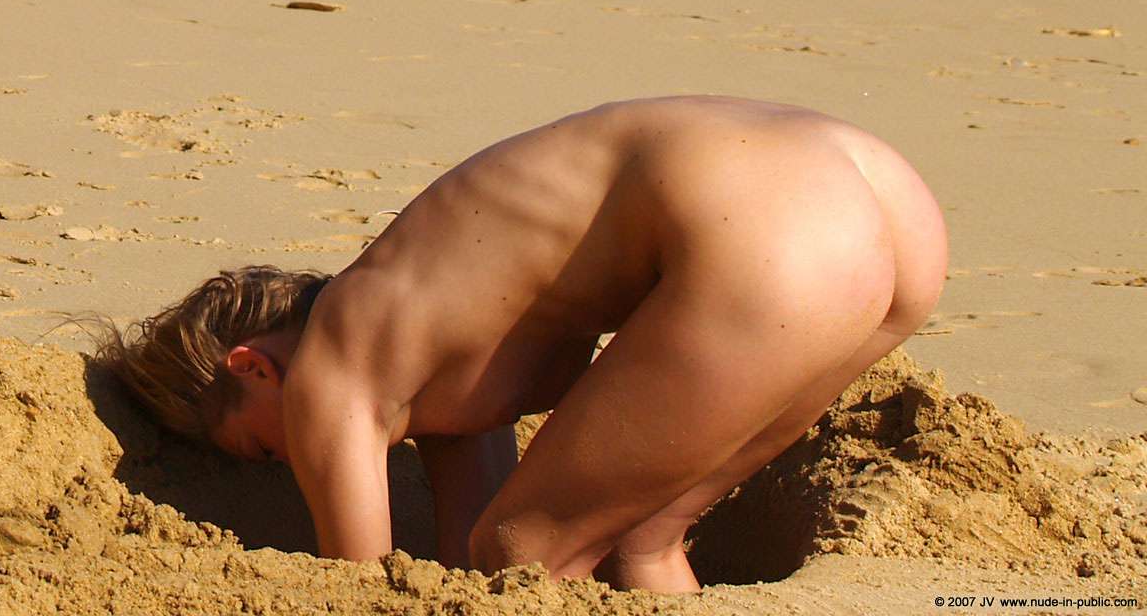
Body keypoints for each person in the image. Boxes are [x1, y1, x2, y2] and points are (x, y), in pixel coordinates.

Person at [97, 95, 948, 593]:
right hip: (873, 194)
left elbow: (363, 586)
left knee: (527, 553)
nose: (288, 463)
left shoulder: (333, 366)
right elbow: (466, 583)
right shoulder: (424, 330)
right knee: (639, 538)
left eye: (258, 448)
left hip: (765, 223)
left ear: (251, 366)